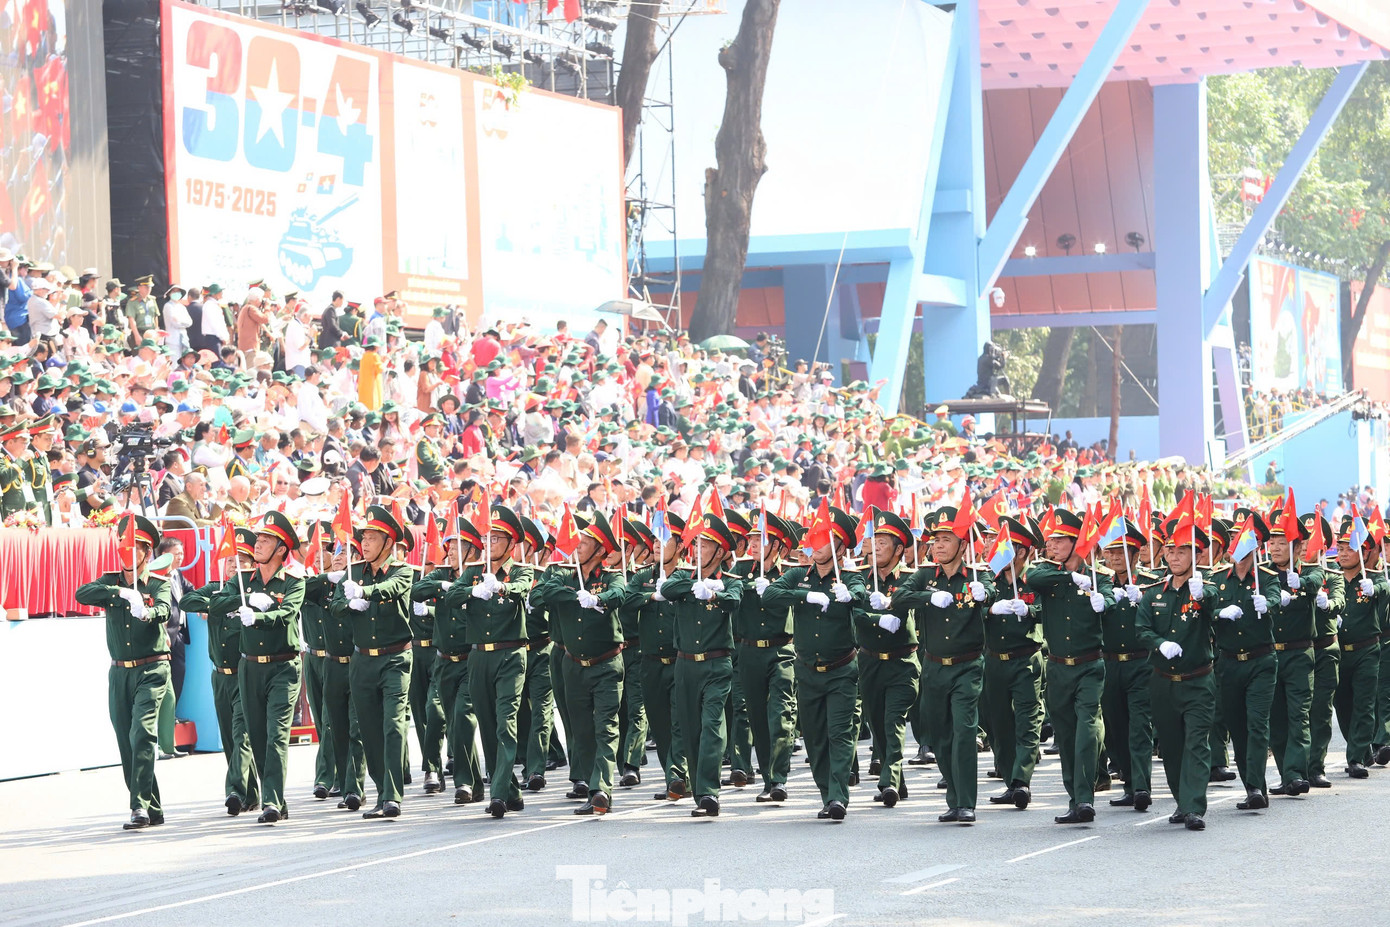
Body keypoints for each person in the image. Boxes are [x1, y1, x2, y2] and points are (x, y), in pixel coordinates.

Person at [763, 506, 865, 820]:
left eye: (825, 539)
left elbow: (860, 592)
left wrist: (850, 594)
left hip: (841, 670)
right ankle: (826, 793)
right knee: (816, 737)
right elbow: (771, 594)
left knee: (839, 733)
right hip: (807, 671)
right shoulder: (799, 575)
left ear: (841, 546)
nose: (816, 545)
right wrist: (803, 596)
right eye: (815, 538)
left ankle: (838, 796)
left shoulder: (849, 578)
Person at [895, 506, 995, 824]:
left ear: (962, 544)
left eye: (946, 539)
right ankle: (953, 796)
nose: (938, 545)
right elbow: (899, 597)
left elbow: (993, 591)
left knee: (964, 731)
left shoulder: (978, 576)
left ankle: (966, 802)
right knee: (940, 735)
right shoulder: (925, 576)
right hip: (934, 667)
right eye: (935, 539)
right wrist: (927, 598)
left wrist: (986, 594)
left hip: (967, 666)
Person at [75, 514, 172, 829]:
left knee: (142, 733)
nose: (126, 554)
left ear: (147, 551)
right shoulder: (110, 581)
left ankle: (138, 807)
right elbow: (81, 594)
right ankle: (152, 807)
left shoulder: (158, 583)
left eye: (134, 548)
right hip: (119, 673)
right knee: (126, 741)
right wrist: (119, 593)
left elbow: (164, 610)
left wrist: (146, 610)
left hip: (152, 668)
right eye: (123, 548)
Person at [207, 510, 305, 824]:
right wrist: (240, 601)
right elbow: (217, 602)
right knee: (259, 736)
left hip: (282, 668)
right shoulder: (242, 582)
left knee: (276, 734)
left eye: (266, 540)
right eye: (259, 538)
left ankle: (272, 801)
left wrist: (263, 610)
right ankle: (274, 797)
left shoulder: (293, 581)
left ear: (281, 549)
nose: (258, 543)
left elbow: (288, 612)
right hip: (249, 668)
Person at [529, 511, 628, 815]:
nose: (579, 545)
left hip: (606, 664)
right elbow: (543, 590)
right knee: (581, 730)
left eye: (586, 543)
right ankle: (586, 781)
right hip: (573, 665)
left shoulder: (612, 577)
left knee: (606, 728)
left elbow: (619, 594)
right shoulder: (562, 574)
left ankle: (601, 790)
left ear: (600, 551)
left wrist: (598, 600)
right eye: (580, 540)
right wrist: (576, 596)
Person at [1024, 509, 1112, 824]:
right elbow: (1031, 576)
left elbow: (1112, 598)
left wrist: (1106, 600)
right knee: (1067, 732)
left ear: (1077, 542)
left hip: (1090, 664)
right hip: (1058, 667)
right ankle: (1076, 798)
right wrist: (1067, 575)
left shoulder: (1099, 577)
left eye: (1061, 540)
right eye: (1051, 540)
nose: (1053, 545)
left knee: (1087, 728)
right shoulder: (1048, 574)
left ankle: (1086, 797)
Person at [330, 504, 415, 818]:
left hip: (395, 658)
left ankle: (392, 796)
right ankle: (382, 792)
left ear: (389, 543)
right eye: (363, 537)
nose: (364, 544)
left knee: (392, 725)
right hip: (362, 661)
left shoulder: (402, 570)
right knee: (368, 730)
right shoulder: (353, 572)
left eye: (372, 538)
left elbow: (393, 588)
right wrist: (350, 602)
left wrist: (366, 593)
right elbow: (336, 605)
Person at [1137, 519, 1217, 831]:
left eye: (1182, 551)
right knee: (1170, 746)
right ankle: (1182, 801)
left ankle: (1194, 806)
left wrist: (1204, 595)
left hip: (1197, 679)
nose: (1174, 557)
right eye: (1170, 551)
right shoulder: (1153, 593)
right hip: (1163, 681)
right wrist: (1159, 644)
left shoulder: (1205, 589)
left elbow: (1215, 606)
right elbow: (1141, 629)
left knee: (1197, 743)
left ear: (1195, 556)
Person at [662, 513, 743, 817]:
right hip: (685, 666)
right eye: (696, 544)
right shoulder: (683, 576)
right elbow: (667, 589)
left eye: (705, 545)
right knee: (691, 729)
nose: (697, 550)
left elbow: (735, 598)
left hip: (716, 664)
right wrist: (693, 585)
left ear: (721, 552)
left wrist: (715, 590)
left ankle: (709, 791)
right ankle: (699, 790)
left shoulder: (730, 582)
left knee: (712, 726)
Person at [182, 527, 262, 815]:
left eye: (242, 560)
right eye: (230, 560)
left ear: (253, 564)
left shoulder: (256, 593)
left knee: (242, 734)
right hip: (220, 675)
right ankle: (251, 794)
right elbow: (187, 601)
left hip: (245, 673)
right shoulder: (216, 588)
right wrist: (217, 602)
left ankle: (234, 791)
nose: (234, 565)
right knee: (230, 737)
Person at [1209, 513, 1280, 809]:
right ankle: (1254, 786)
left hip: (1261, 660)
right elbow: (1201, 613)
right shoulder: (1216, 580)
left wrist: (1271, 602)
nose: (1237, 549)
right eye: (1234, 543)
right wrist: (1217, 613)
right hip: (1228, 663)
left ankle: (1253, 787)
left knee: (1257, 723)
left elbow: (1276, 596)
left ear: (1254, 548)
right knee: (1237, 726)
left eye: (1244, 543)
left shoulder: (1267, 579)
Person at [856, 511, 921, 809]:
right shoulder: (858, 579)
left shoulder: (911, 578)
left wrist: (896, 604)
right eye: (875, 540)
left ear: (899, 550)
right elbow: (852, 612)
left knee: (893, 720)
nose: (876, 546)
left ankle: (889, 782)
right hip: (869, 662)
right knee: (878, 725)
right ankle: (898, 779)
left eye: (884, 542)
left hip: (902, 662)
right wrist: (874, 620)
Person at [981, 515, 1046, 810]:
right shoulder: (990, 580)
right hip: (995, 661)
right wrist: (988, 609)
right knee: (999, 724)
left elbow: (1050, 609)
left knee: (1028, 721)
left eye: (1006, 547)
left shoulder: (1037, 579)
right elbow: (969, 610)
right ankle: (1010, 780)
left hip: (1026, 659)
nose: (997, 551)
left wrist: (1031, 610)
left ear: (1021, 552)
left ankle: (1021, 781)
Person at [1099, 519, 1158, 811]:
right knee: (1115, 727)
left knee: (1139, 727)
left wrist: (1145, 597)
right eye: (1109, 553)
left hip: (1141, 663)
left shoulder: (1150, 583)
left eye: (1121, 553)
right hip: (1109, 665)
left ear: (1136, 555)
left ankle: (1142, 787)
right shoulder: (1099, 584)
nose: (1114, 559)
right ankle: (1128, 781)